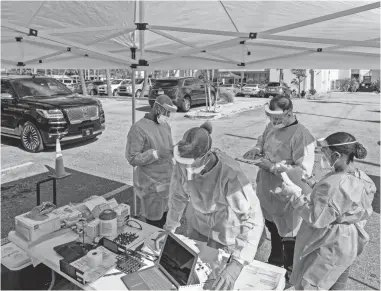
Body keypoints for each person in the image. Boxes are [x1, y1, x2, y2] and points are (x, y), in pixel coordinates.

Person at [155, 121, 264, 290]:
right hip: (199, 228)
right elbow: (177, 198)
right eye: (184, 165)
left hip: (227, 231)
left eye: (193, 166)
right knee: (191, 274)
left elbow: (252, 217)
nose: (187, 171)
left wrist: (236, 264)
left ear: (206, 157)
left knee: (220, 280)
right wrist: (169, 229)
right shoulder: (184, 163)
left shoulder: (229, 172)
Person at [273, 132, 376, 290]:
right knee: (337, 282)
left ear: (336, 155)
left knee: (311, 284)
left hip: (329, 243)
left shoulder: (335, 184)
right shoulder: (361, 178)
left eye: (325, 153)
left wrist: (294, 194)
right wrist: (315, 185)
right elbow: (342, 202)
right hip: (349, 241)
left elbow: (316, 217)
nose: (323, 157)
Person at [243, 96, 315, 277]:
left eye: (277, 119)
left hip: (287, 195)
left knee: (289, 235)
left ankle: (290, 271)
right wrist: (256, 149)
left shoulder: (301, 135)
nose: (273, 122)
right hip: (268, 192)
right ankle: (275, 262)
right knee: (273, 228)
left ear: (289, 113)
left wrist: (274, 167)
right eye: (270, 119)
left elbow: (303, 172)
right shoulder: (273, 126)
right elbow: (264, 138)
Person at [125, 95, 177, 228]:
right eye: (166, 113)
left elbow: (167, 148)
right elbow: (132, 157)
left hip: (167, 180)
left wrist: (176, 150)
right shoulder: (138, 129)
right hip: (151, 185)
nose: (168, 116)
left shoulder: (165, 126)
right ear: (158, 109)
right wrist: (155, 154)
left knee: (167, 220)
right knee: (155, 224)